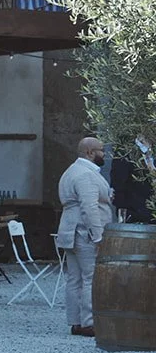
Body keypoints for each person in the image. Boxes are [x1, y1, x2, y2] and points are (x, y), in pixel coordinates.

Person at [57, 136, 115, 338]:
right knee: (90, 277)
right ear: (89, 152)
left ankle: (75, 322)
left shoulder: (72, 170)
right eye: (101, 150)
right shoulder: (86, 174)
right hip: (84, 233)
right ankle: (89, 323)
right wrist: (98, 236)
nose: (104, 154)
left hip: (71, 230)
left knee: (74, 278)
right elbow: (89, 208)